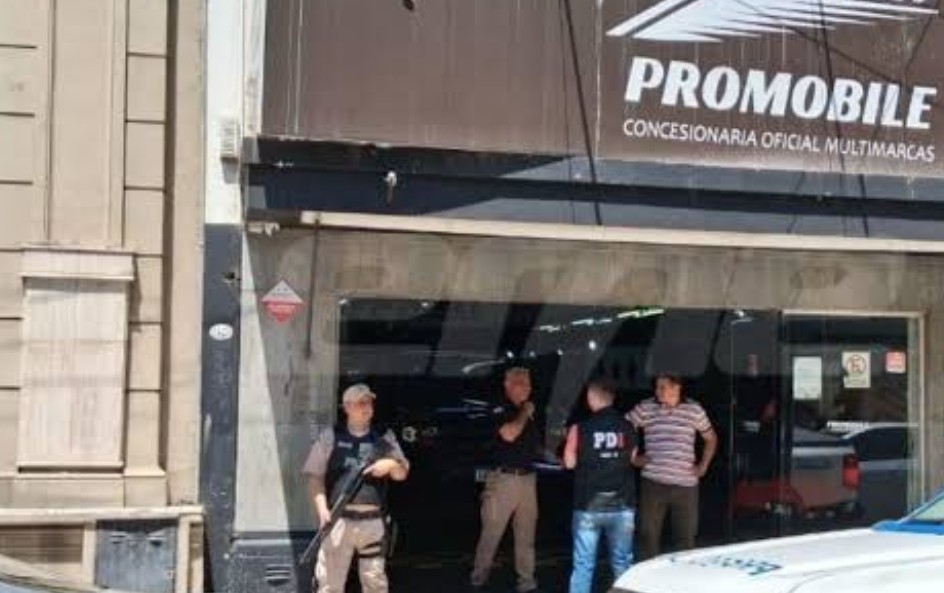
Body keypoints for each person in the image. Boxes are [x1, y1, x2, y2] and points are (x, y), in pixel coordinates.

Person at [302, 383, 410, 593]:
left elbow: (402, 473)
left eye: (369, 402)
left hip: (372, 523)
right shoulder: (331, 436)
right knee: (329, 584)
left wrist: (390, 465)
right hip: (339, 520)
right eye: (361, 403)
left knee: (375, 583)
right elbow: (314, 477)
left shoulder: (384, 437)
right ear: (347, 407)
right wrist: (322, 511)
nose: (367, 407)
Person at [628, 373, 717, 561]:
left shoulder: (693, 409)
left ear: (677, 387)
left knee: (685, 540)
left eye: (663, 387)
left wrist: (703, 466)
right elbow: (624, 428)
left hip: (685, 486)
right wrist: (633, 458)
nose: (657, 391)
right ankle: (648, 578)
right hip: (653, 483)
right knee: (647, 537)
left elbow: (711, 438)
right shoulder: (646, 407)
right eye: (656, 386)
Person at [563, 379, 640, 593]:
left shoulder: (579, 428)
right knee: (622, 563)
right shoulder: (629, 427)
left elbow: (569, 463)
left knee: (583, 565)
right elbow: (632, 458)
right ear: (612, 397)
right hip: (622, 505)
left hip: (588, 506)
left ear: (590, 397)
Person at [471, 366, 540, 592]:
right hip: (503, 480)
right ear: (508, 385)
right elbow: (509, 434)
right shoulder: (500, 408)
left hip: (528, 479)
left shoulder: (527, 412)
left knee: (526, 536)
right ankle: (479, 579)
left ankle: (526, 582)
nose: (528, 387)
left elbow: (531, 446)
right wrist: (525, 412)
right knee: (492, 533)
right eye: (522, 382)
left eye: (529, 383)